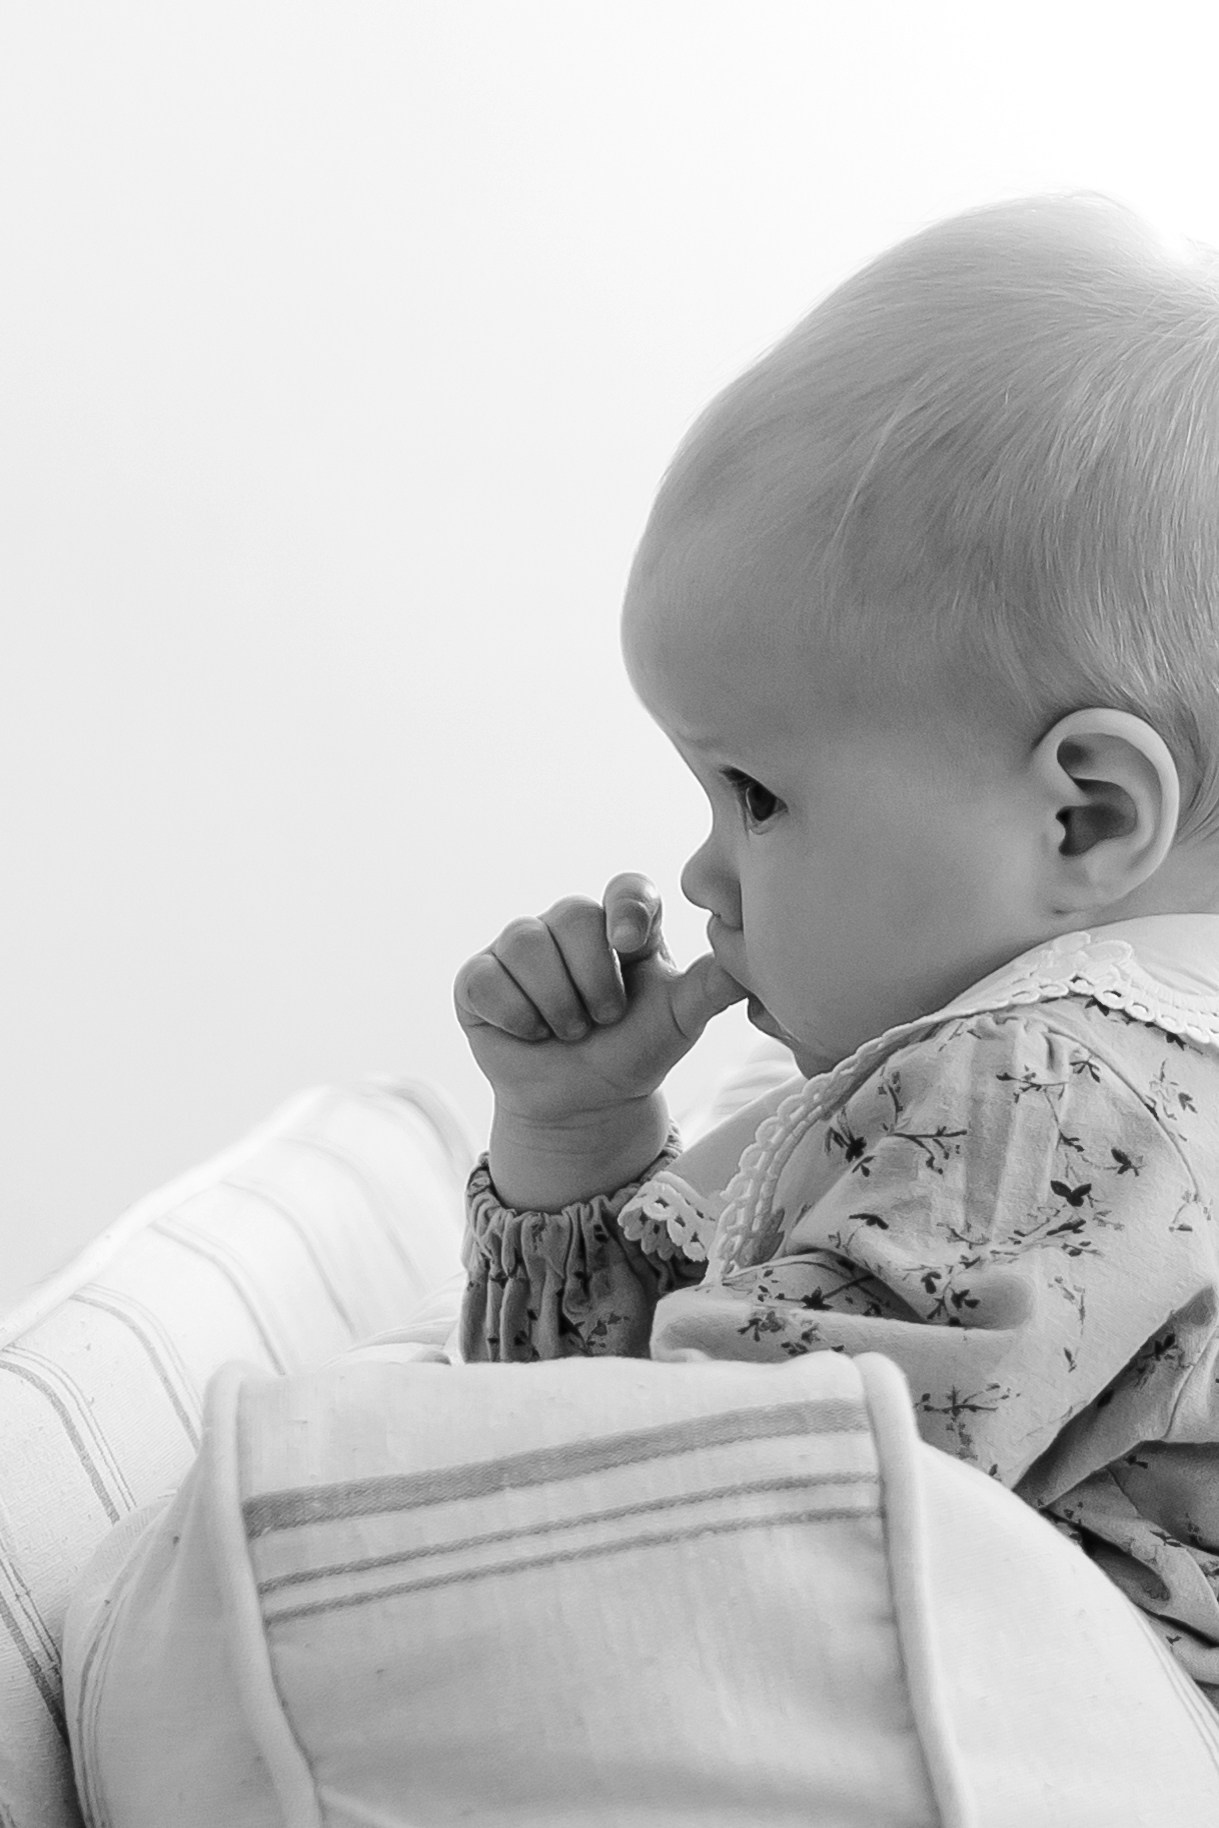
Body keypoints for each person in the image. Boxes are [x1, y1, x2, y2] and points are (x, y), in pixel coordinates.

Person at [453, 190, 1219, 1703]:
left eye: (757, 795)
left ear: (1081, 820)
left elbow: (651, 1529)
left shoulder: (1041, 1080)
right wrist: (582, 1133)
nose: (702, 871)